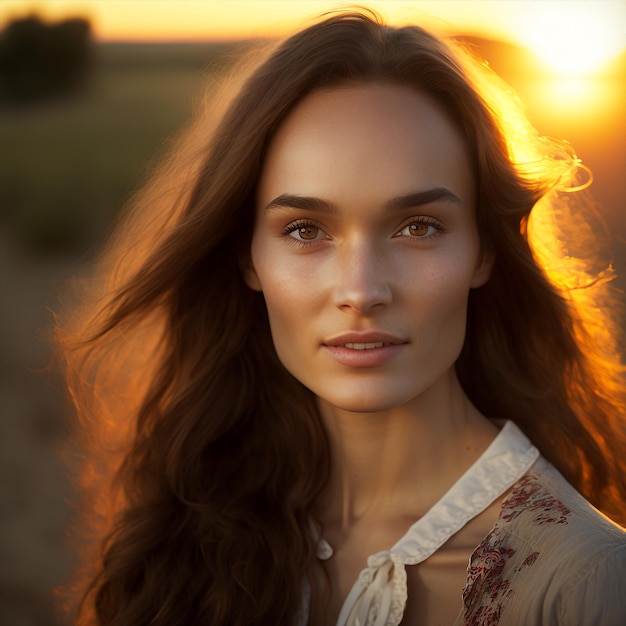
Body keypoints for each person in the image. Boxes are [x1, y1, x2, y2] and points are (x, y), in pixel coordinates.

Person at [55, 10, 626, 626]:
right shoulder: (196, 527)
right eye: (305, 230)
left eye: (418, 227)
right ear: (246, 256)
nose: (361, 290)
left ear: (483, 250)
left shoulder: (585, 585)